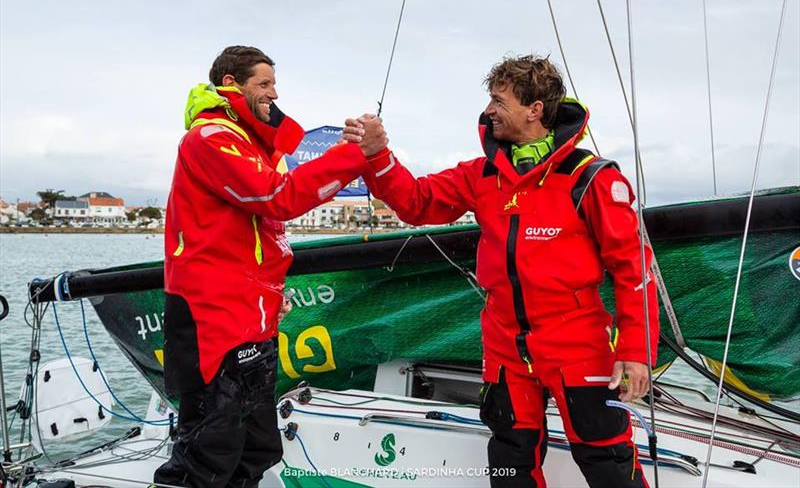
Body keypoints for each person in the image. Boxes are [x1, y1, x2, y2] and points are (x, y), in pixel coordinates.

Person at [345, 55, 659, 488]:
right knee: (510, 462)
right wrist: (378, 155)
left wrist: (636, 351)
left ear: (534, 110)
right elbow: (417, 202)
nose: (488, 110)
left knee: (606, 459)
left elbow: (634, 270)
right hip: (505, 346)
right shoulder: (482, 174)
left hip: (578, 341)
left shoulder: (592, 178)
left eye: (498, 100)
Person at [155, 45, 377, 488]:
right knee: (209, 447)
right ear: (231, 85)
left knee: (257, 445)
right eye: (264, 83)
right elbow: (276, 196)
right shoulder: (210, 138)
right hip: (211, 313)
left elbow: (276, 202)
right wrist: (355, 155)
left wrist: (346, 149)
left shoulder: (250, 143)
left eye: (275, 84)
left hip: (251, 311)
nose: (274, 94)